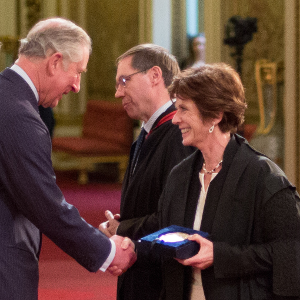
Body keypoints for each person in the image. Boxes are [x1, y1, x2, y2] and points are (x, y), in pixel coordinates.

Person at [0, 18, 136, 299]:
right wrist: (107, 252)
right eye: (77, 72)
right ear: (54, 62)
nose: (76, 86)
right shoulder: (19, 115)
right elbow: (45, 205)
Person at [152, 63, 300, 299]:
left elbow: (289, 254)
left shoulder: (265, 177)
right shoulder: (179, 176)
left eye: (184, 109)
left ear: (215, 115)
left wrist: (220, 256)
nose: (175, 119)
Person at [99, 44, 195, 300]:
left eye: (124, 81)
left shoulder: (178, 135)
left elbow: (177, 219)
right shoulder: (147, 133)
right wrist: (124, 220)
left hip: (160, 282)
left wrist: (124, 229)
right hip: (141, 273)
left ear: (155, 76)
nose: (118, 92)